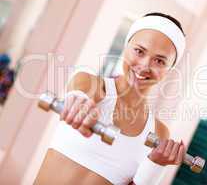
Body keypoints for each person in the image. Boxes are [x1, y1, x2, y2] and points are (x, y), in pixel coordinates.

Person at [34, 12, 187, 185]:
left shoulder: (159, 132)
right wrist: (78, 102)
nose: (144, 65)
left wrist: (156, 166)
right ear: (126, 47)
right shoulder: (91, 84)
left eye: (159, 61)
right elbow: (79, 92)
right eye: (139, 51)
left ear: (169, 70)